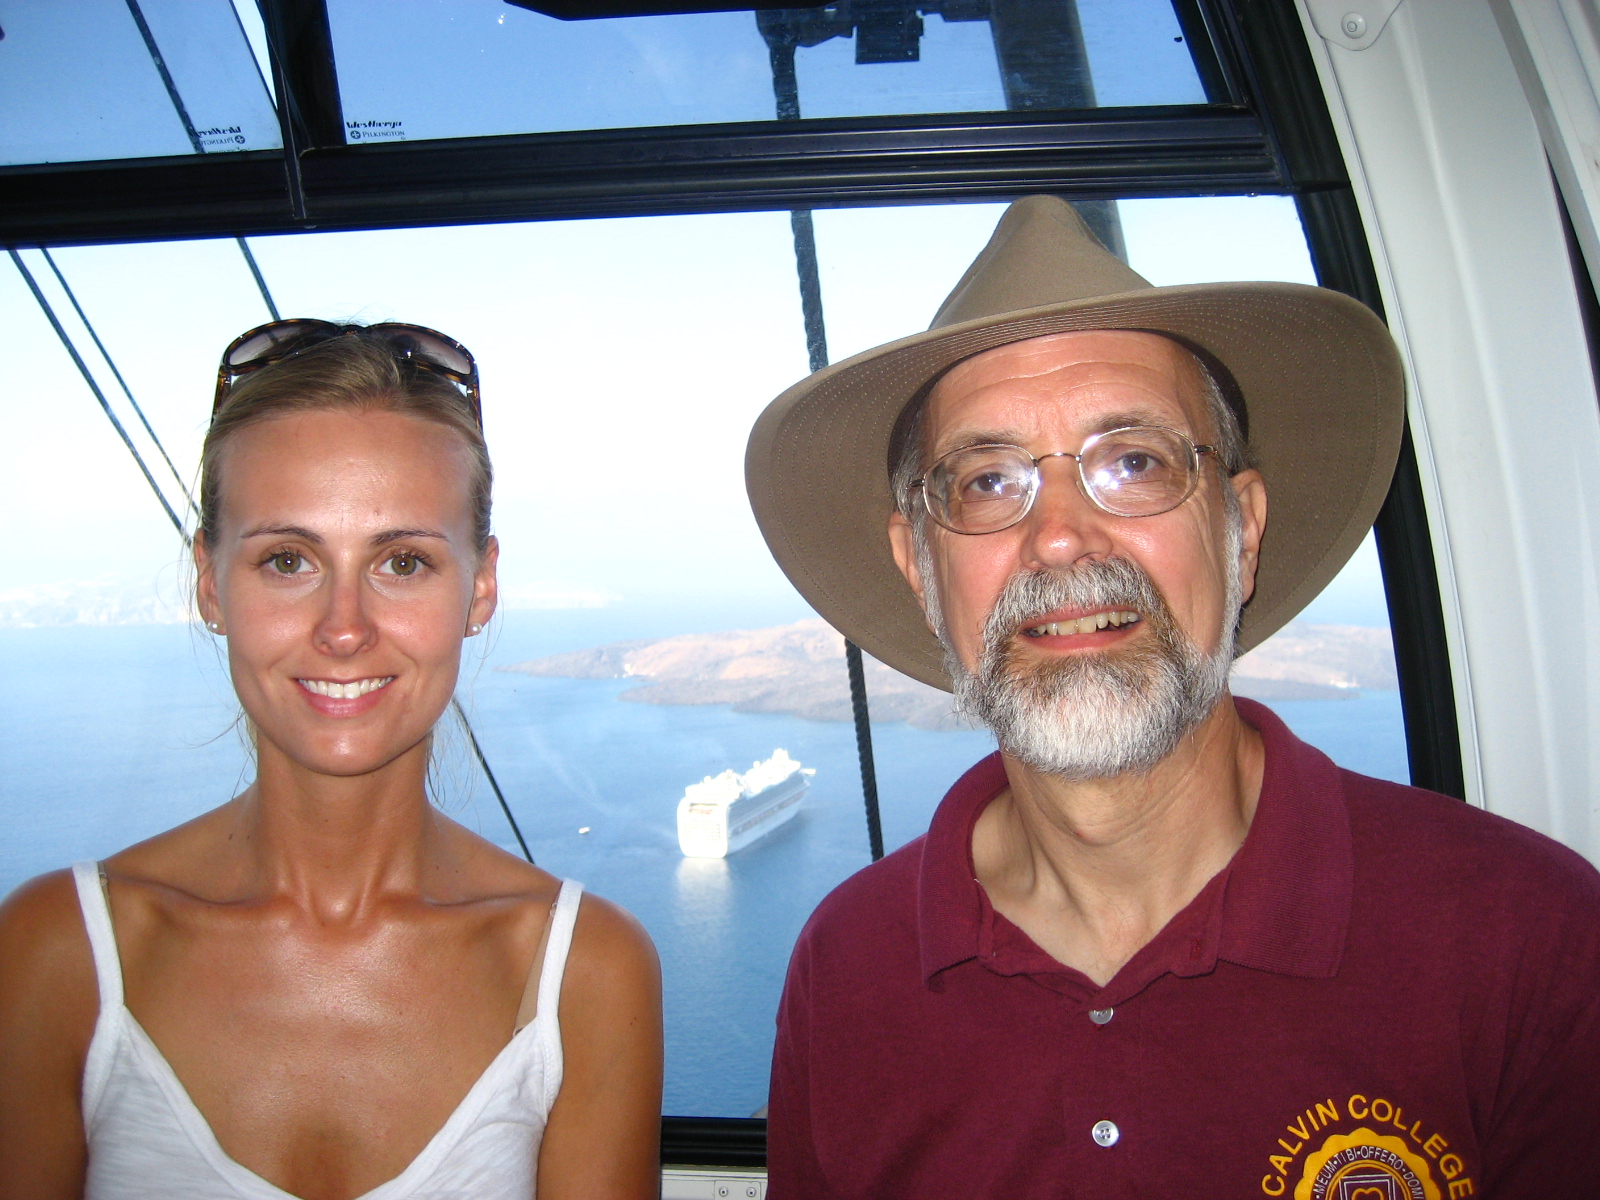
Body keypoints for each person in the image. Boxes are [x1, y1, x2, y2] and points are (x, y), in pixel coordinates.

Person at [746, 196, 1600, 1197]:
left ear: (1241, 531)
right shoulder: (850, 967)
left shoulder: (1525, 936)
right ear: (920, 570)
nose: (1059, 538)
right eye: (987, 483)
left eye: (1133, 462)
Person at [0, 321, 663, 1199]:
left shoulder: (586, 974)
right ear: (209, 583)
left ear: (481, 587)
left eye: (402, 562)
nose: (343, 628)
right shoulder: (60, 953)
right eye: (287, 560)